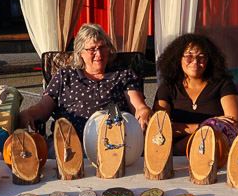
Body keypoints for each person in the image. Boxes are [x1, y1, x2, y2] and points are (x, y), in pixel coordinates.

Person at [18, 23, 151, 133]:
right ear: (80, 52)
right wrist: (28, 113)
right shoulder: (65, 75)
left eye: (102, 47)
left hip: (114, 141)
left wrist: (145, 112)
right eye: (92, 49)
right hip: (69, 141)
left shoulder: (123, 75)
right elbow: (43, 108)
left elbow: (138, 107)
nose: (99, 54)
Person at [152, 33, 238, 154]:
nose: (195, 61)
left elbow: (234, 125)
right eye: (189, 56)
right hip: (176, 157)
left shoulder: (223, 84)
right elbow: (159, 128)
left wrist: (183, 135)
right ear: (178, 58)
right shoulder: (168, 87)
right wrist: (207, 126)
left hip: (214, 152)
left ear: (209, 60)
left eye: (201, 57)